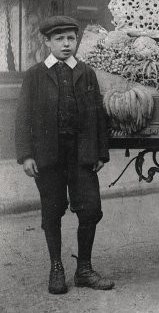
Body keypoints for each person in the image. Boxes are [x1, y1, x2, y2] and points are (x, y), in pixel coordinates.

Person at [15, 15, 114, 294]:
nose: (66, 44)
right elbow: (22, 117)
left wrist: (100, 153)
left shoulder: (86, 72)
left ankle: (84, 269)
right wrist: (26, 156)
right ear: (47, 42)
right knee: (52, 211)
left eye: (71, 38)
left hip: (81, 154)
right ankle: (56, 267)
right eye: (59, 39)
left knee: (91, 208)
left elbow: (98, 115)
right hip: (48, 156)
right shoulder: (34, 75)